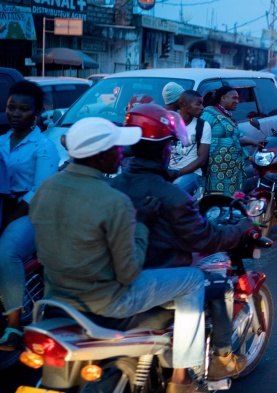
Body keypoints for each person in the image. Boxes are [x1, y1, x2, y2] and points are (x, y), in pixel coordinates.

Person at [30, 116, 205, 393]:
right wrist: (142, 223)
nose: (123, 153)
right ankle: (182, 378)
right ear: (100, 156)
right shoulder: (113, 201)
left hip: (56, 296)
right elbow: (129, 272)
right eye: (116, 148)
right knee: (194, 279)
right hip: (107, 301)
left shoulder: (46, 189)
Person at [111, 103, 254, 381]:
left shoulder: (110, 187)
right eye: (170, 146)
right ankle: (218, 360)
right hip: (156, 279)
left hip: (115, 278)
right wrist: (240, 228)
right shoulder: (172, 195)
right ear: (165, 149)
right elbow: (206, 238)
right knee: (218, 284)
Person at [0, 80, 59, 351]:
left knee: (6, 251)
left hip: (29, 213)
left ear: (35, 114)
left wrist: (9, 217)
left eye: (23, 109)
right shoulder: (0, 141)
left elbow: (39, 190)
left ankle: (13, 323)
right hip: (3, 206)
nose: (15, 113)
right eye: (12, 107)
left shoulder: (44, 146)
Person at [200, 86, 258, 196]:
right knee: (216, 199)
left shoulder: (227, 116)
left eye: (238, 98)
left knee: (230, 200)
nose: (237, 101)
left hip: (231, 170)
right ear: (223, 98)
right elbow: (200, 137)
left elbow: (233, 140)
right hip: (215, 169)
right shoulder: (209, 113)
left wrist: (252, 141)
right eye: (234, 98)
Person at [169, 90, 211, 195]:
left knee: (174, 191)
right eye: (198, 103)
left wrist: (177, 173)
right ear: (185, 105)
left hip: (192, 174)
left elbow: (202, 160)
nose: (202, 107)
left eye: (202, 103)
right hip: (169, 171)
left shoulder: (203, 126)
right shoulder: (170, 123)